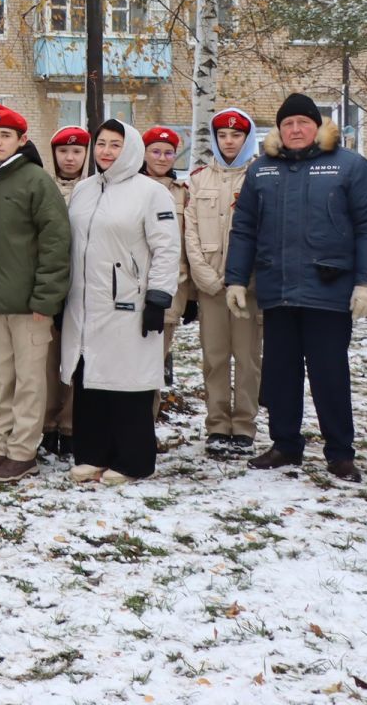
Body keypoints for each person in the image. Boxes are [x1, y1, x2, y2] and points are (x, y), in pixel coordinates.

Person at [226, 93, 367, 482]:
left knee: (329, 372)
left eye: (303, 122)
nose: (295, 129)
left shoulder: (349, 166)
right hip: (277, 288)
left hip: (328, 290)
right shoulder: (261, 170)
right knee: (280, 373)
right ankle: (285, 444)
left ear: (317, 127)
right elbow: (244, 227)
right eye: (287, 124)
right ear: (278, 131)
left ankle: (340, 452)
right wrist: (235, 277)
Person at [62, 120, 181, 485]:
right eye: (101, 144)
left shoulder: (150, 192)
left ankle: (133, 460)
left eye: (115, 145)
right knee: (89, 379)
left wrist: (158, 298)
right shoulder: (84, 189)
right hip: (84, 301)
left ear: (129, 149)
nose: (106, 151)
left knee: (126, 383)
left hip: (127, 301)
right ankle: (92, 454)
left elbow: (166, 246)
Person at [0, 107, 71, 483]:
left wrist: (46, 298)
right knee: (4, 379)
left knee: (29, 381)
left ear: (22, 140)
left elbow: (56, 242)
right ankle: (2, 448)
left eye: (5, 136)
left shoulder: (35, 181)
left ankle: (24, 451)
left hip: (30, 304)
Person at [186, 109, 262, 458]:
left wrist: (247, 278)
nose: (228, 142)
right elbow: (190, 232)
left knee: (247, 359)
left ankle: (244, 424)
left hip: (248, 287)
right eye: (222, 136)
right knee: (214, 358)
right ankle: (217, 424)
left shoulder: (261, 175)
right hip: (211, 285)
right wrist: (205, 276)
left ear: (247, 139)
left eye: (236, 136)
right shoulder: (199, 179)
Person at [41, 125, 92, 459]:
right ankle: (46, 425)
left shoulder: (95, 189)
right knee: (47, 360)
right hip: (48, 283)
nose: (70, 158)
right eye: (63, 151)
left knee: (77, 357)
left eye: (76, 152)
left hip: (85, 285)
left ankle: (72, 425)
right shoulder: (43, 186)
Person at [142, 127, 192, 409]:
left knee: (154, 366)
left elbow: (187, 245)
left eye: (168, 152)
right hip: (129, 290)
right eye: (155, 151)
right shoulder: (130, 187)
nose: (162, 158)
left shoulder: (184, 194)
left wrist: (192, 297)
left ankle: (146, 427)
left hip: (170, 292)